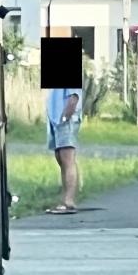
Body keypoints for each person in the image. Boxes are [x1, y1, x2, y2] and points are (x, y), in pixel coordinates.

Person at [45, 85, 84, 215]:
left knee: (68, 159)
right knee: (60, 157)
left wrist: (64, 117)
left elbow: (74, 97)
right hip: (56, 120)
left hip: (65, 121)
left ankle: (69, 201)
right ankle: (65, 200)